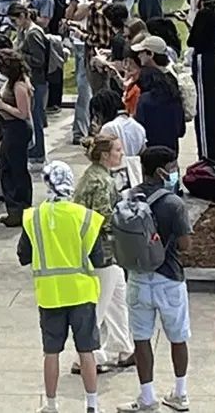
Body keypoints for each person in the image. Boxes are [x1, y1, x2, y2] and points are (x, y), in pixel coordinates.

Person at [16, 161, 103, 413]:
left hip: (50, 294)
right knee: (86, 351)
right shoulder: (84, 216)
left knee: (51, 352)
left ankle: (51, 405)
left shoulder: (33, 217)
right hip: (82, 292)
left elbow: (23, 255)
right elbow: (98, 258)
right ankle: (92, 405)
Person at [118, 146, 192, 413]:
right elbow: (185, 245)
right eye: (173, 167)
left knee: (141, 338)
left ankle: (146, 397)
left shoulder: (127, 197)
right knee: (178, 337)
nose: (175, 172)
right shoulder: (174, 203)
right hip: (169, 277)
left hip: (137, 277)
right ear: (162, 171)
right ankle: (180, 393)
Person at [73, 135, 135, 371]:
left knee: (117, 299)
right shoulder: (103, 182)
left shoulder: (93, 175)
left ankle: (123, 347)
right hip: (103, 252)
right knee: (99, 304)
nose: (121, 153)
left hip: (100, 251)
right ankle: (84, 357)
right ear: (104, 155)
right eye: (117, 150)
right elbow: (103, 219)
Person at [0, 49, 34, 227]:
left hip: (17, 129)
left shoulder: (20, 85)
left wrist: (1, 105)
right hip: (9, 128)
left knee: (15, 170)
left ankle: (20, 208)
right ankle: (14, 208)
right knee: (6, 167)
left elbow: (23, 113)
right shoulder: (12, 82)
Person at [187, 0, 215, 164]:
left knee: (204, 108)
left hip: (204, 59)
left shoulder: (204, 14)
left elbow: (193, 41)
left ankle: (206, 154)